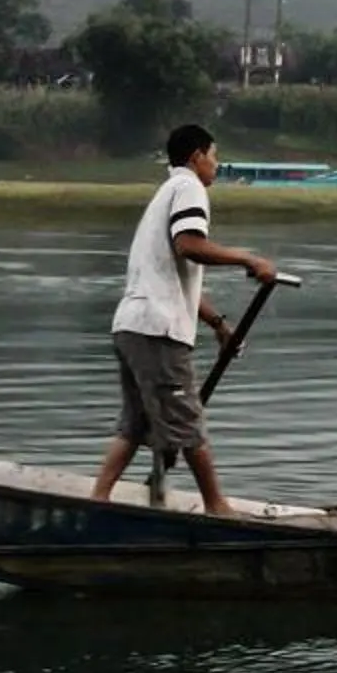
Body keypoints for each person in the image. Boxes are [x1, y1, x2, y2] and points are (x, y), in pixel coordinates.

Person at [91, 123, 277, 516]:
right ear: (196, 157)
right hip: (156, 330)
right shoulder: (189, 187)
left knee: (137, 424)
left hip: (132, 325)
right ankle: (217, 507)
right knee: (187, 421)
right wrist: (248, 258)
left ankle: (97, 502)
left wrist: (219, 325)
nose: (217, 164)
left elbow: (176, 279)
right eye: (214, 156)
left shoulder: (166, 193)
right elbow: (189, 246)